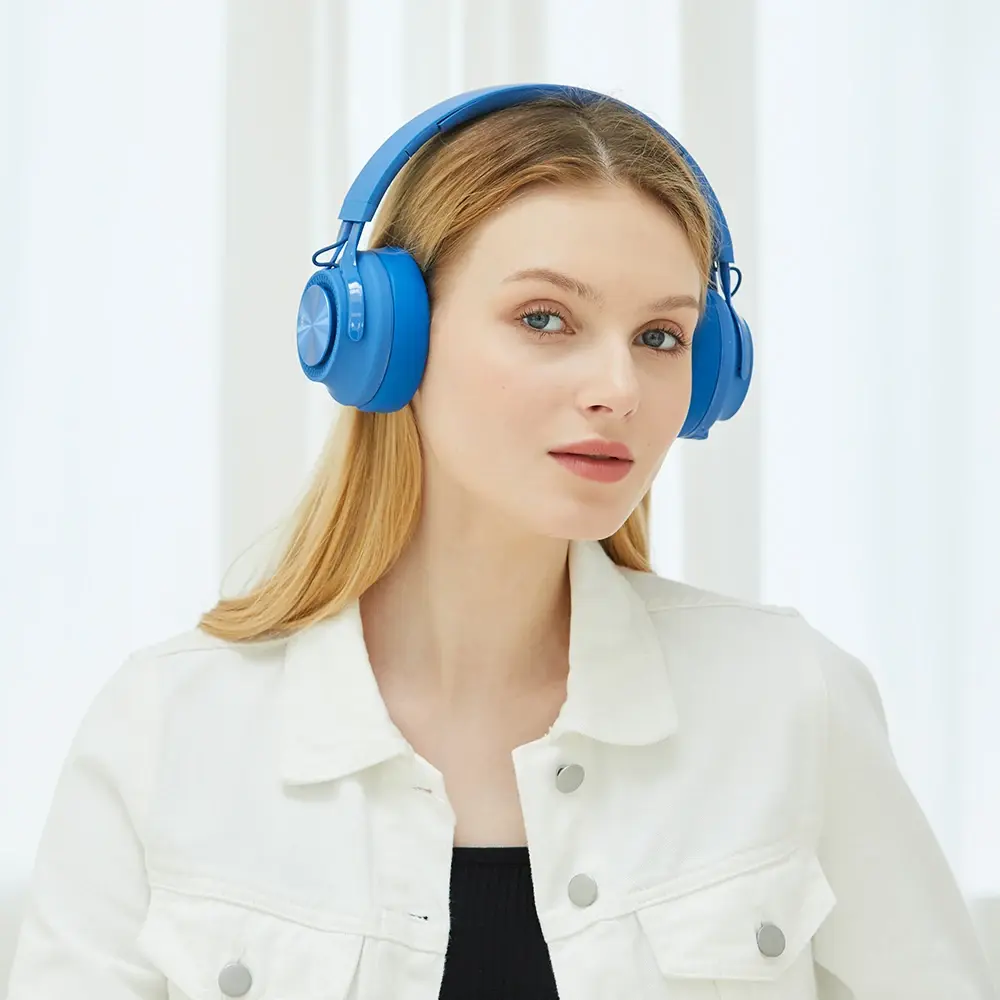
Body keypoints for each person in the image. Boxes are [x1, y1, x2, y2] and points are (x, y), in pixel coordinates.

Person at [6, 85, 995, 1000]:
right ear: (385, 339)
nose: (619, 386)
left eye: (661, 336)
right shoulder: (167, 730)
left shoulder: (787, 700)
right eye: (544, 317)